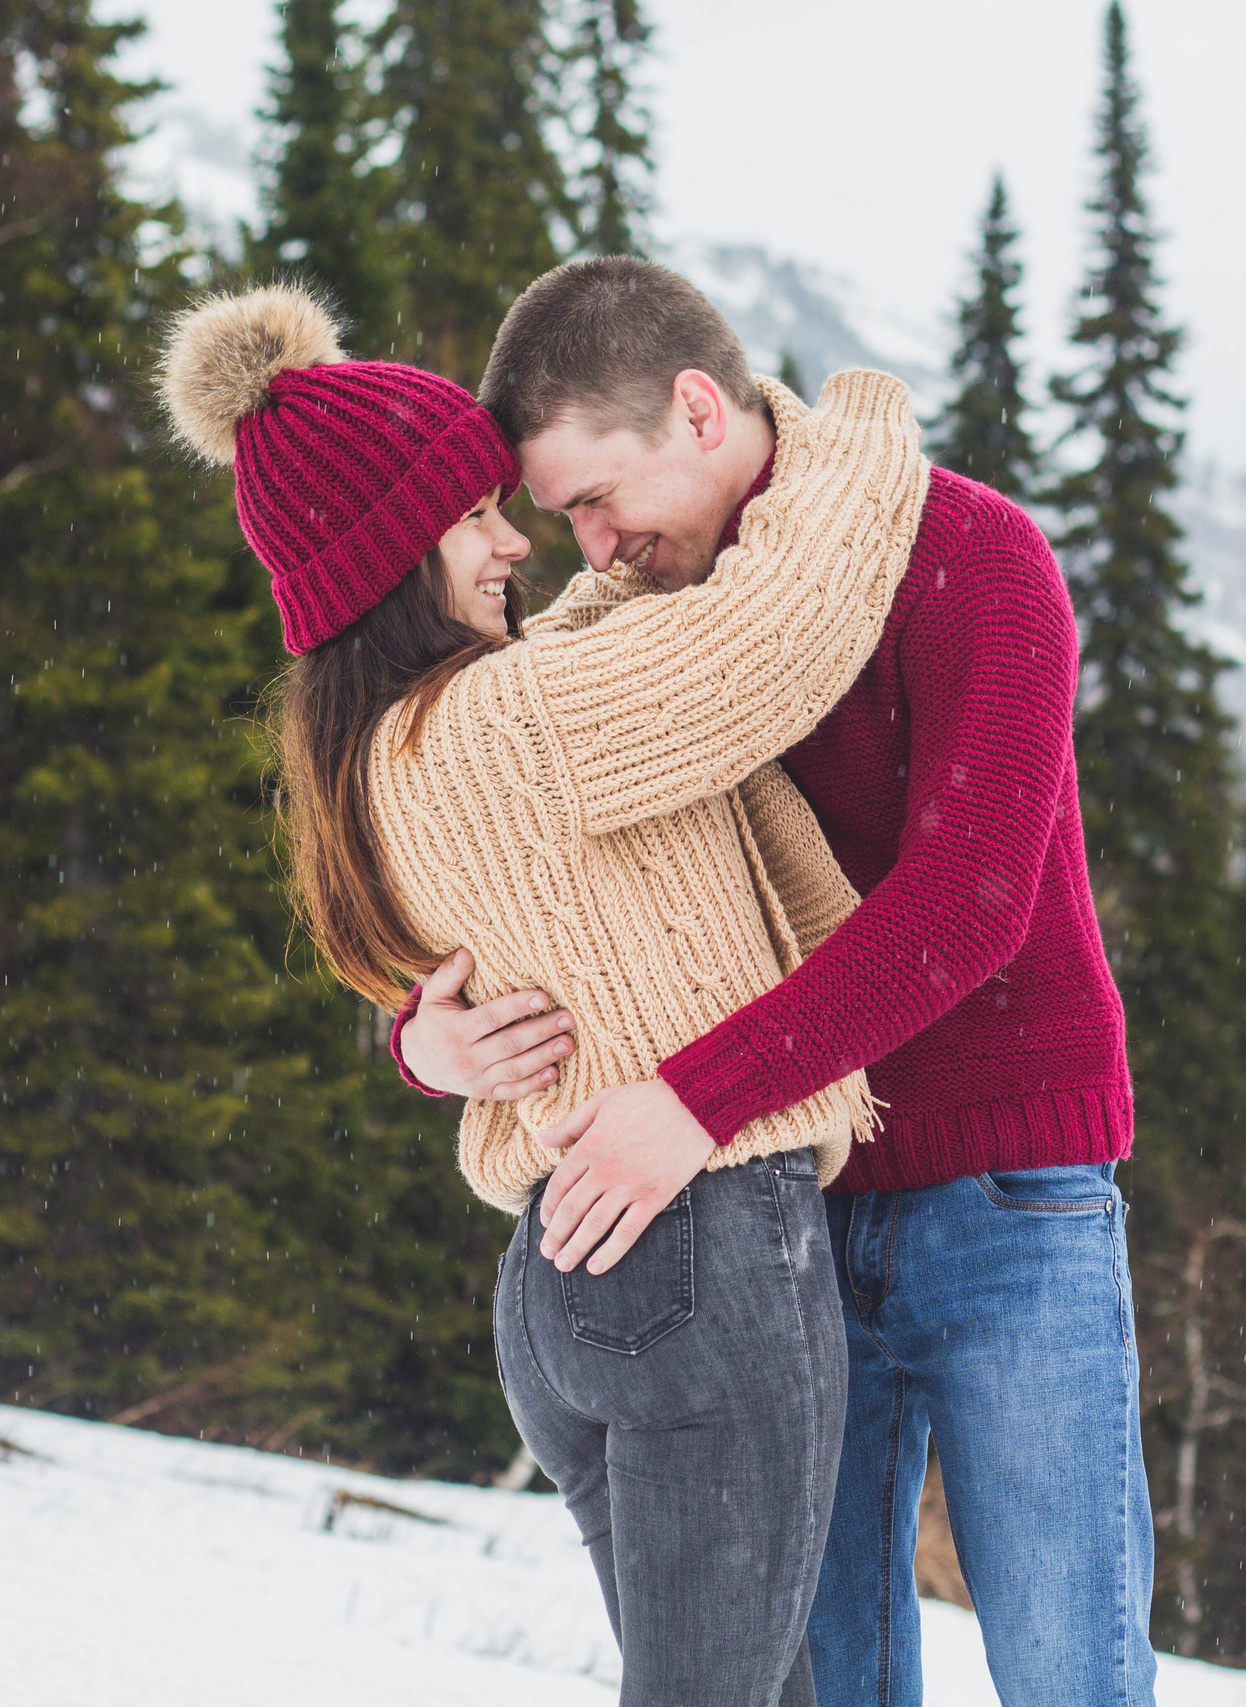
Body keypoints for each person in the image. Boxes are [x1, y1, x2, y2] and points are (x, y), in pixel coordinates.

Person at [391, 257, 1159, 1707]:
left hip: (1013, 1194)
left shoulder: (972, 554)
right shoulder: (649, 622)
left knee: (1074, 1667)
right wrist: (424, 1037)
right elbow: (512, 851)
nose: (594, 549)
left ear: (696, 407)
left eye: (598, 499)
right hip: (786, 1219)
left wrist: (697, 1097)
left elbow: (969, 903)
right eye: (562, 522)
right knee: (828, 1678)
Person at [154, 282, 932, 1707]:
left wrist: (417, 1047)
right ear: (397, 555)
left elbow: (614, 642)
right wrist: (864, 422)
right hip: (697, 1252)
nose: (513, 539)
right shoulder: (517, 724)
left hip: (567, 1290)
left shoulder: (381, 758)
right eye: (472, 516)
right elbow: (790, 626)